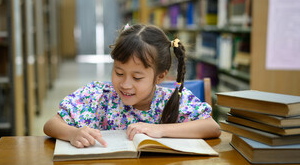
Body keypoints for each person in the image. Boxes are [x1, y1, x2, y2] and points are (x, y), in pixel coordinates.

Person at [43, 24, 221, 148]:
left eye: (137, 77)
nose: (125, 84)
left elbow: (212, 127)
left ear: (160, 77)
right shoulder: (97, 95)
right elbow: (51, 124)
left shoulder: (172, 99)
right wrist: (73, 134)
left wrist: (160, 129)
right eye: (119, 73)